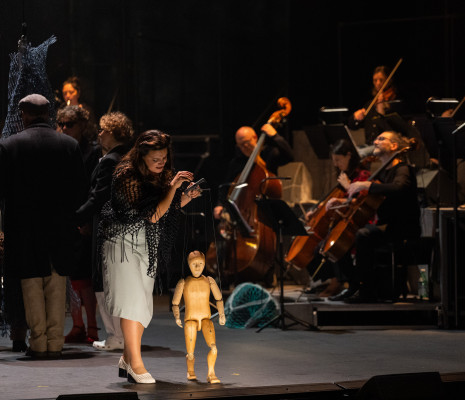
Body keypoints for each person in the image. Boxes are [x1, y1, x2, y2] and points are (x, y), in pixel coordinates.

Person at [98, 130, 201, 384]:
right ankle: (136, 364)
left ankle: (126, 357)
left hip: (145, 244)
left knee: (143, 307)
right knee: (131, 304)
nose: (161, 163)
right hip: (121, 243)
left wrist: (184, 197)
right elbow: (152, 214)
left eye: (164, 158)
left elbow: (166, 208)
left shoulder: (162, 175)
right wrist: (173, 188)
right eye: (156, 158)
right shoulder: (126, 175)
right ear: (142, 156)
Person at [0, 94, 87, 359]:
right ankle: (55, 343)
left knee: (31, 286)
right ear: (49, 114)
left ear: (24, 114)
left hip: (23, 229)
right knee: (56, 285)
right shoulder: (69, 145)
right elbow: (81, 190)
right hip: (60, 229)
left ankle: (37, 343)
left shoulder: (9, 146)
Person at [328, 131, 421, 303]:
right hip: (385, 227)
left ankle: (367, 292)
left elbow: (398, 188)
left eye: (382, 139)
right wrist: (341, 201)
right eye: (376, 139)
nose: (376, 142)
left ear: (394, 146)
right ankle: (355, 284)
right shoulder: (381, 173)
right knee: (337, 239)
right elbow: (365, 198)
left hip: (401, 228)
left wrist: (366, 184)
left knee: (364, 235)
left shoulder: (403, 169)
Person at [75, 111, 135, 351]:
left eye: (103, 130)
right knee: (114, 282)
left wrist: (76, 217)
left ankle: (115, 336)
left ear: (113, 133)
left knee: (105, 282)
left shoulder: (110, 160)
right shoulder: (125, 157)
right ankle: (119, 335)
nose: (99, 134)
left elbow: (98, 197)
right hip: (119, 227)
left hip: (107, 227)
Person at [57, 105, 102, 344]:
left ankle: (92, 326)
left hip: (84, 217)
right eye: (62, 124)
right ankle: (78, 325)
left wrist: (86, 220)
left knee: (84, 274)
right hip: (67, 216)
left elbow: (93, 189)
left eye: (70, 124)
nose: (64, 128)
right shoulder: (61, 147)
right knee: (71, 275)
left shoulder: (92, 151)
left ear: (82, 125)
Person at [304, 139, 371, 298]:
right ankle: (338, 282)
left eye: (338, 160)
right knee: (319, 248)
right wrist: (318, 210)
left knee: (332, 247)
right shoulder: (346, 175)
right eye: (334, 161)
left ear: (349, 156)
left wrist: (349, 187)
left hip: (360, 223)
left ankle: (349, 284)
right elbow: (338, 198)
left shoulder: (363, 175)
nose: (336, 164)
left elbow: (361, 201)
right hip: (345, 223)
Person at [213, 124, 294, 220]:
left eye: (246, 142)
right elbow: (227, 186)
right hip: (244, 213)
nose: (244, 147)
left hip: (267, 213)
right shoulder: (236, 162)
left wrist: (275, 136)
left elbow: (290, 156)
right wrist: (220, 204)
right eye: (240, 145)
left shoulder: (268, 154)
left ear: (255, 137)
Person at [172, 250, 226, 384]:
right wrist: (177, 316)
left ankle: (211, 373)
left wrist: (221, 314)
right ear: (189, 265)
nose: (197, 267)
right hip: (190, 320)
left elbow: (219, 299)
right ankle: (190, 371)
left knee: (214, 348)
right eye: (194, 264)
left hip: (206, 319)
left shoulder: (209, 280)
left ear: (205, 264)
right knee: (190, 353)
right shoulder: (183, 282)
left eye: (200, 263)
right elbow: (175, 302)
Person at [348, 65, 400, 145]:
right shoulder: (370, 104)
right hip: (370, 145)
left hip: (386, 146)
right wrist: (355, 117)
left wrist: (381, 111)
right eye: (375, 80)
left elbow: (393, 129)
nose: (378, 83)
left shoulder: (394, 103)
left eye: (381, 80)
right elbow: (352, 126)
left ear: (389, 80)